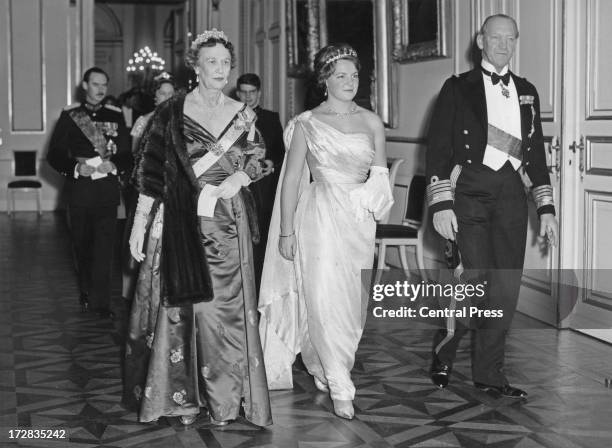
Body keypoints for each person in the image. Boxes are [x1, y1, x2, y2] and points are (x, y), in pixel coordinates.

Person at [123, 29, 272, 427]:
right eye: (212, 62)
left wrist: (241, 177)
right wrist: (140, 225)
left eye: (225, 62)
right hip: (180, 221)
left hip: (226, 222)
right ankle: (182, 398)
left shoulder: (243, 113)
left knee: (224, 314)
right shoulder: (170, 112)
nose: (220, 69)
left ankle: (223, 400)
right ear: (196, 66)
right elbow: (151, 174)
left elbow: (257, 157)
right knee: (182, 310)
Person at [258, 43, 393, 420]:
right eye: (341, 76)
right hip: (316, 216)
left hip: (358, 223)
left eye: (354, 76)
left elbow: (380, 177)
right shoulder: (307, 122)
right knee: (321, 295)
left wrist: (370, 197)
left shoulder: (371, 122)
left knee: (350, 303)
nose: (349, 82)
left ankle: (321, 362)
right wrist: (286, 232)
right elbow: (290, 182)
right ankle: (340, 382)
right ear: (325, 81)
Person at [426, 14, 558, 398]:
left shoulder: (528, 91)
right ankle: (444, 353)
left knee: (504, 287)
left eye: (510, 39)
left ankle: (489, 374)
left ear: (516, 42)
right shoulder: (457, 88)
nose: (503, 45)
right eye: (495, 37)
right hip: (468, 191)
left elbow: (535, 156)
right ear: (481, 40)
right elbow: (437, 152)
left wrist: (546, 209)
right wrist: (441, 205)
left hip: (511, 198)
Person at [47, 67, 131, 317]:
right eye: (95, 84)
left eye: (104, 84)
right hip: (80, 190)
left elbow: (127, 154)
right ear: (85, 85)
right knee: (82, 246)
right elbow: (55, 154)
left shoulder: (116, 114)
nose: (101, 89)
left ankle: (100, 303)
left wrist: (115, 164)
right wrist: (75, 167)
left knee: (104, 248)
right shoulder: (71, 115)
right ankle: (85, 289)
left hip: (106, 189)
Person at [119, 74, 177, 304]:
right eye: (163, 93)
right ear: (155, 96)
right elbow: (137, 158)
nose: (167, 97)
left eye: (171, 94)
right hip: (148, 188)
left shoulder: (182, 120)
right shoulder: (144, 120)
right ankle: (135, 292)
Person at [236, 73, 285, 291]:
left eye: (252, 92)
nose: (247, 97)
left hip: (264, 188)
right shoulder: (229, 118)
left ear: (259, 93)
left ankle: (260, 287)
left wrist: (270, 162)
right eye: (243, 92)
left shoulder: (271, 118)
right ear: (238, 93)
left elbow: (281, 151)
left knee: (262, 239)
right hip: (237, 187)